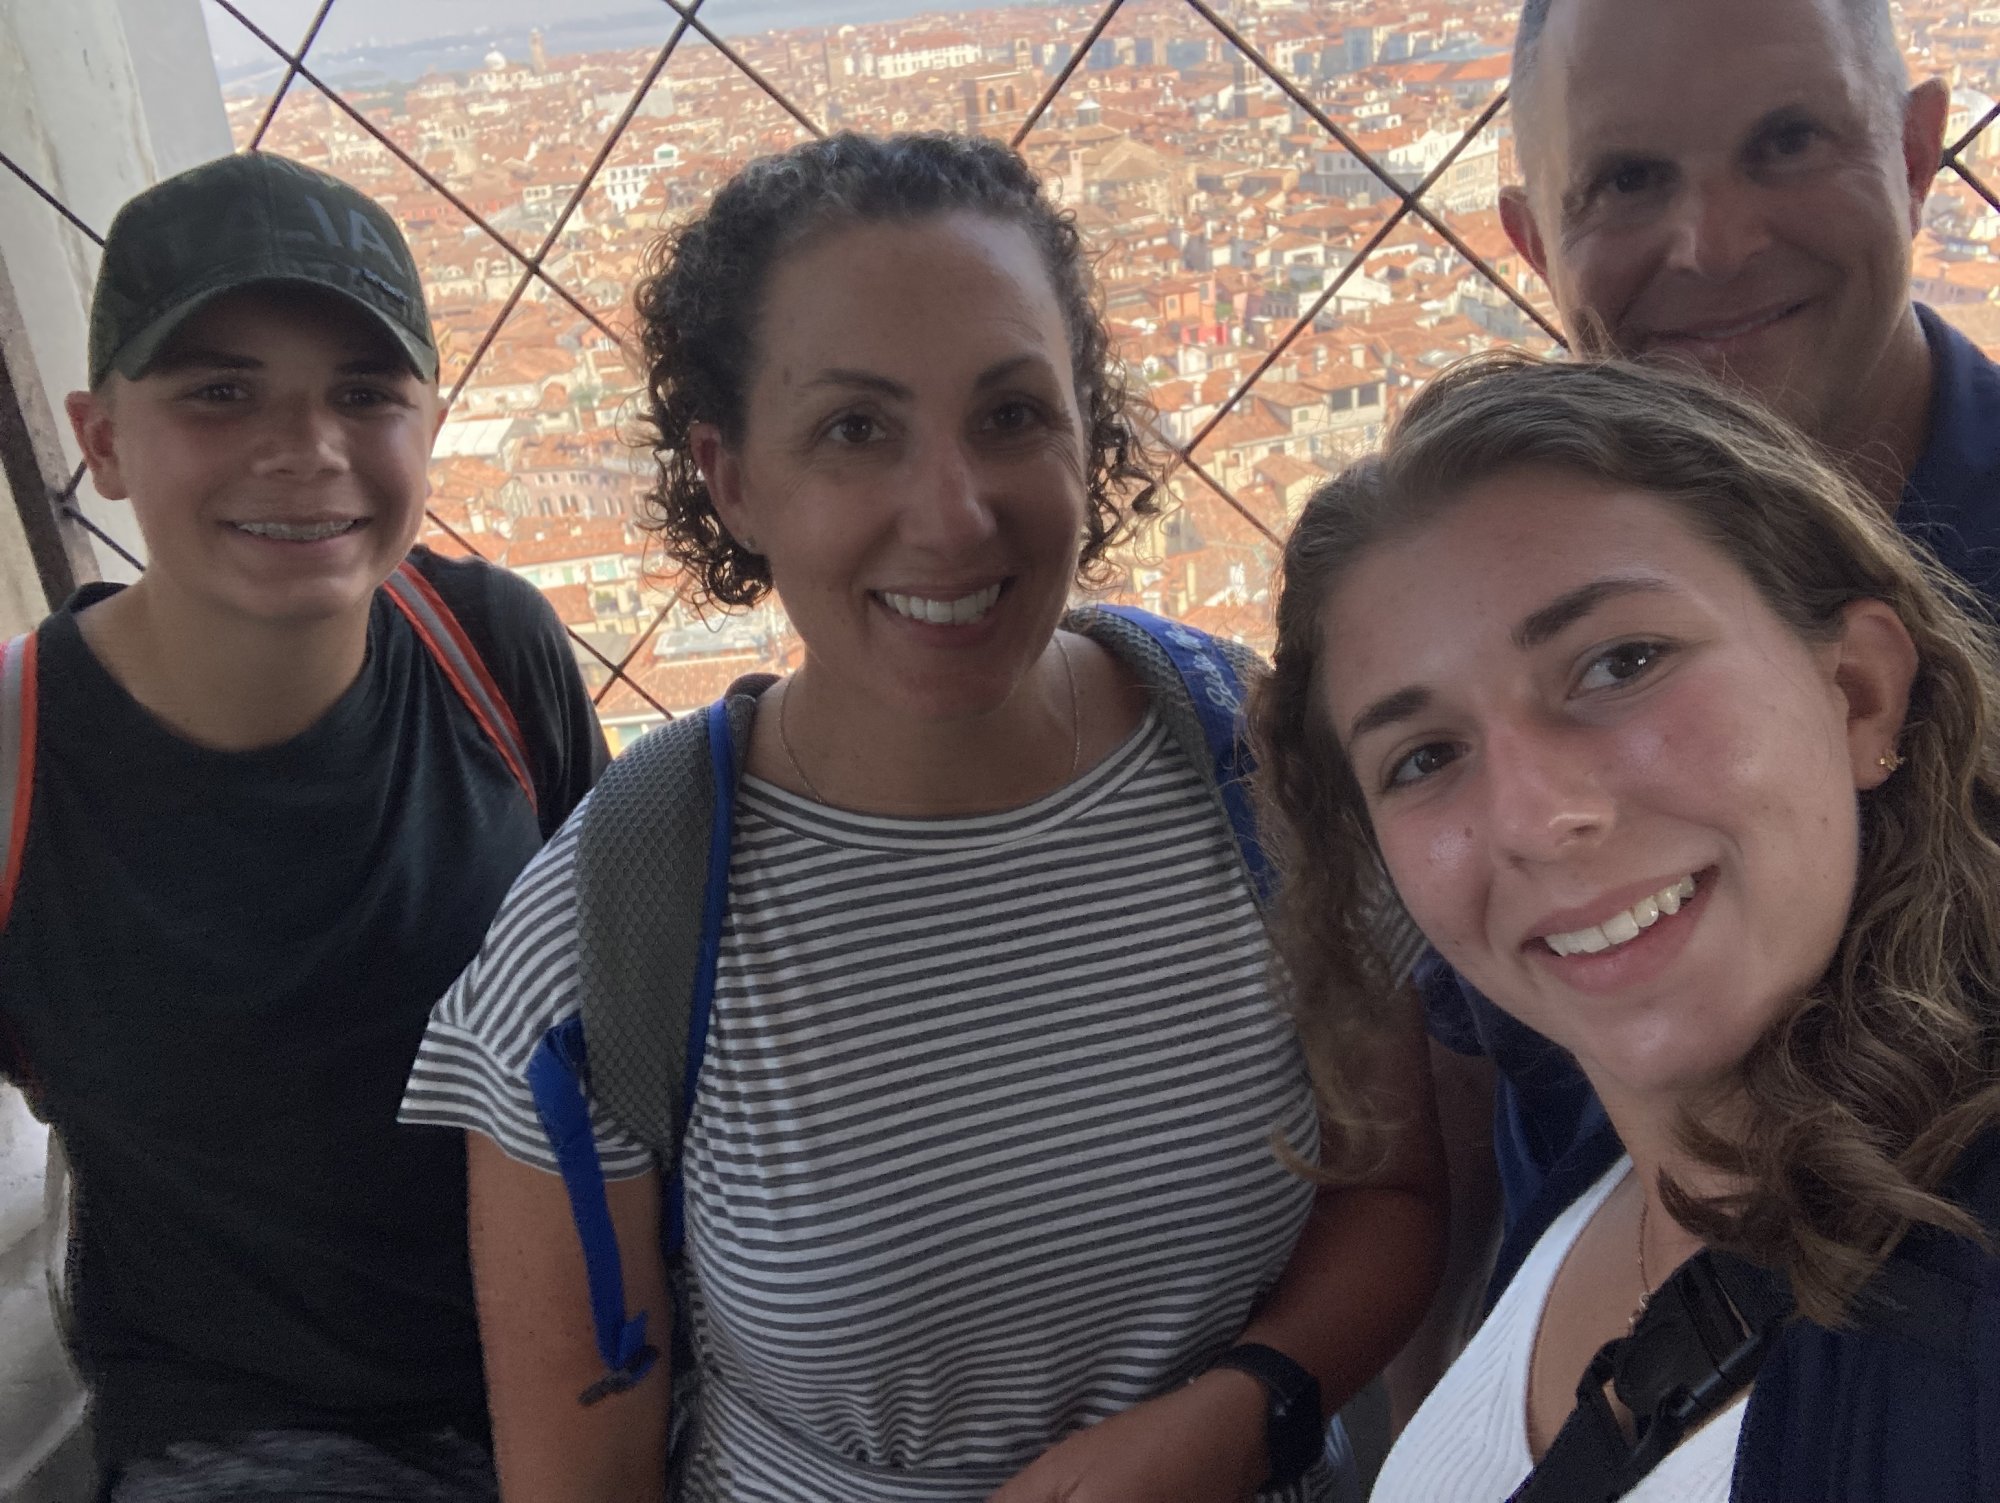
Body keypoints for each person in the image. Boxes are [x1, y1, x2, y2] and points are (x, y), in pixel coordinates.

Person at [400, 132, 1446, 1503]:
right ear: (732, 477)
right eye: (855, 429)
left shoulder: (1259, 772)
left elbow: (1395, 1189)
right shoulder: (611, 931)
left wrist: (1248, 1405)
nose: (953, 516)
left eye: (1012, 414)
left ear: (1090, 427)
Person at [1254, 351, 2000, 1501]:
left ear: (1855, 690)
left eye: (1619, 663)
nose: (1538, 818)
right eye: (1424, 758)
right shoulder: (1609, 1167)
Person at [0, 152, 606, 1498]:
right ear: (100, 439)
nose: (307, 447)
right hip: (249, 1429)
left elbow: (627, 993)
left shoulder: (497, 649)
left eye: (363, 393)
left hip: (594, 1348)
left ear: (427, 428)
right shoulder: (18, 756)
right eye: (222, 392)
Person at [1411, 0, 2000, 1334]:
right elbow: (1472, 1099)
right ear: (1534, 240)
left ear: (1919, 158)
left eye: (1789, 141)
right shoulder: (1481, 598)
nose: (1717, 241)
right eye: (1627, 180)